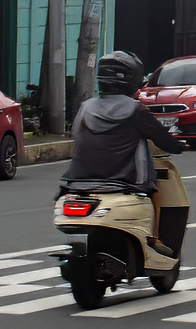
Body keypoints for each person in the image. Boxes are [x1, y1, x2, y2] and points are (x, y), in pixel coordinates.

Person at [61, 51, 187, 257]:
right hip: (124, 180)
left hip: (75, 181)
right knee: (155, 192)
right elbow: (162, 139)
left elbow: (77, 135)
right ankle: (154, 239)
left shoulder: (85, 107)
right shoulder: (135, 109)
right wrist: (179, 146)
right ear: (132, 81)